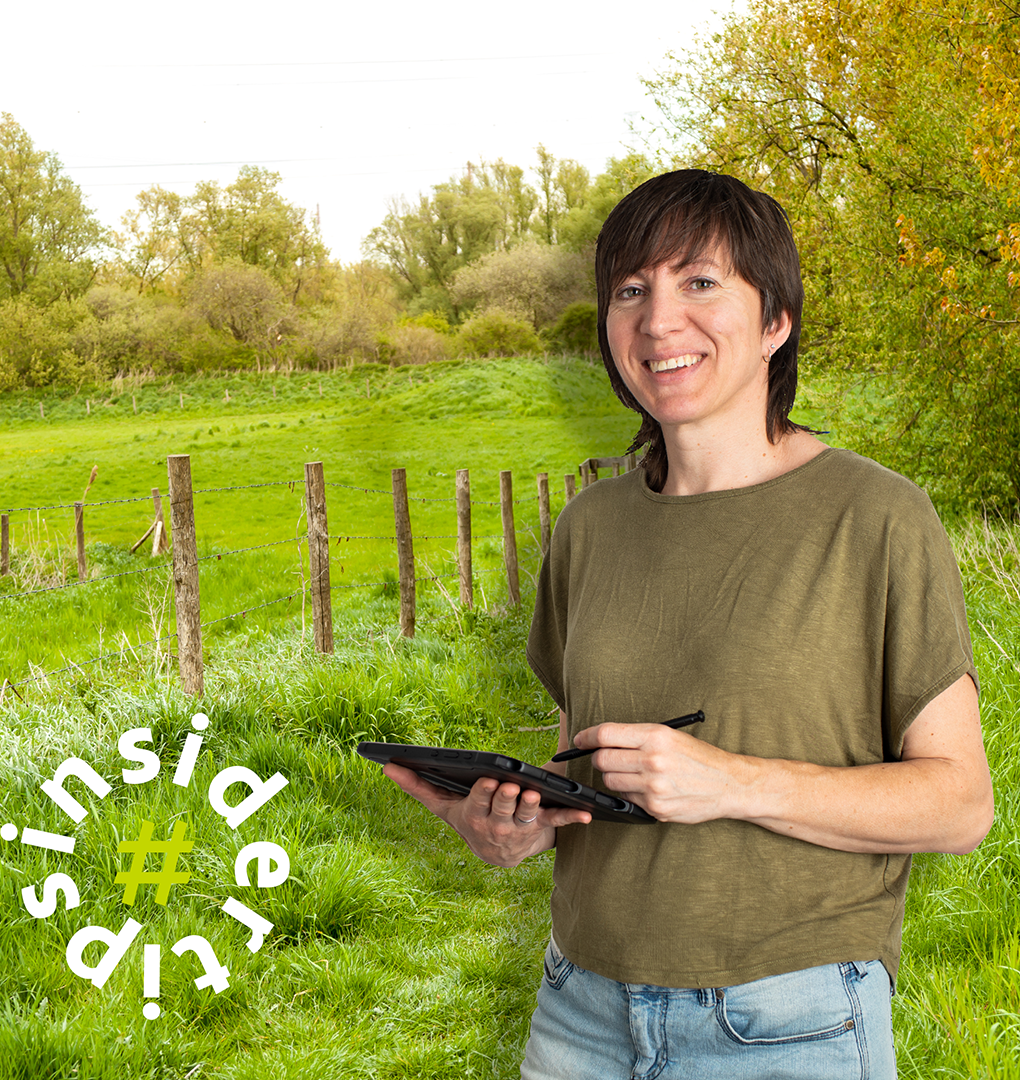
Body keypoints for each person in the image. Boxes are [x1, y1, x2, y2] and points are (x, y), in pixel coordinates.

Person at [383, 169, 994, 1079]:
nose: (659, 320)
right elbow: (581, 761)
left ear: (776, 320)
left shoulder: (877, 518)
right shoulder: (589, 527)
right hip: (580, 1010)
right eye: (631, 291)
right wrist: (522, 822)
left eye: (699, 282)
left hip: (786, 1020)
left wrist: (736, 783)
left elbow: (959, 806)